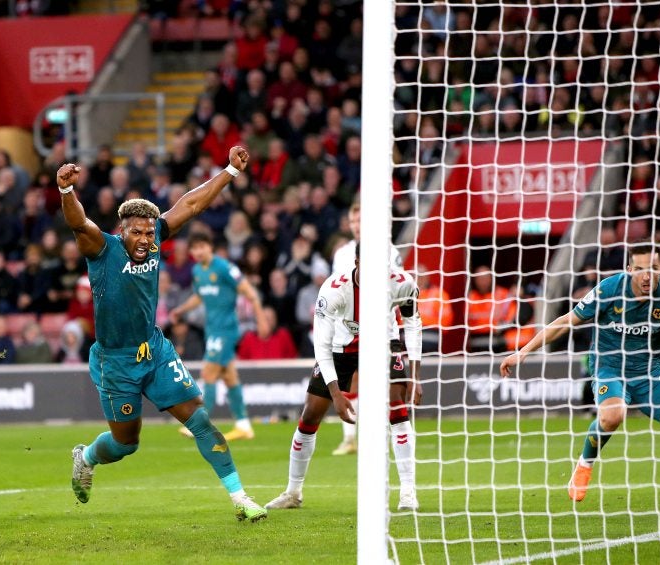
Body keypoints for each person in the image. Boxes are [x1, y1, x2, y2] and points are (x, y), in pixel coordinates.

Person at [60, 146, 267, 522]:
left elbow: (190, 205)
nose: (144, 239)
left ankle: (240, 498)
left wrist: (230, 173)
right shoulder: (102, 249)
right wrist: (66, 192)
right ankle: (87, 456)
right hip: (114, 360)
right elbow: (79, 223)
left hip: (154, 350)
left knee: (199, 419)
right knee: (126, 443)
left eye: (149, 233)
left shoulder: (156, 242)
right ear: (123, 231)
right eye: (136, 232)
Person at [499, 244, 660, 509]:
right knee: (613, 416)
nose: (648, 277)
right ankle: (584, 466)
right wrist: (523, 352)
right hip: (609, 368)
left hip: (649, 371)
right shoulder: (609, 289)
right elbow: (566, 321)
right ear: (629, 269)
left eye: (654, 269)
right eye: (641, 269)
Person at [266, 244, 423, 511]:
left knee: (397, 404)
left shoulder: (402, 283)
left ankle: (408, 492)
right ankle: (293, 492)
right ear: (358, 261)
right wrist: (337, 395)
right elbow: (322, 346)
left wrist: (416, 376)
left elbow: (413, 322)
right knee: (311, 414)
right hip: (340, 347)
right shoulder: (334, 290)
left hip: (383, 344)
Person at [169, 232, 267, 441]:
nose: (198, 251)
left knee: (209, 373)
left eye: (202, 246)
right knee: (230, 377)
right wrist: (181, 310)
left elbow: (250, 293)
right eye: (194, 248)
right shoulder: (197, 270)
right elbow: (199, 296)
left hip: (226, 330)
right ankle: (243, 425)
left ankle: (199, 424)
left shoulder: (224, 268)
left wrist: (261, 320)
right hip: (212, 329)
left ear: (210, 247)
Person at [328, 201, 404, 456]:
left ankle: (386, 436)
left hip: (382, 326)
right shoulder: (341, 254)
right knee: (350, 380)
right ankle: (350, 438)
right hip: (348, 326)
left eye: (361, 220)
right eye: (354, 222)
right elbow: (336, 290)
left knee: (387, 385)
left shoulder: (388, 251)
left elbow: (399, 288)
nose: (358, 226)